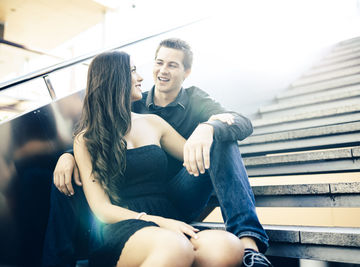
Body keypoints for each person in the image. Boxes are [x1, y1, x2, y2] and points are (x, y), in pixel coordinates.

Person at [45, 38, 273, 267]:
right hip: (124, 224)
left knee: (227, 247)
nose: (144, 76)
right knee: (175, 248)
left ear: (186, 72)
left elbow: (226, 132)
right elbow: (102, 208)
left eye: (172, 65)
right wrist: (68, 154)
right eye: (134, 71)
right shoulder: (88, 137)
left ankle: (248, 242)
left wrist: (208, 128)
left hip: (171, 205)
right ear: (115, 79)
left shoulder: (159, 119)